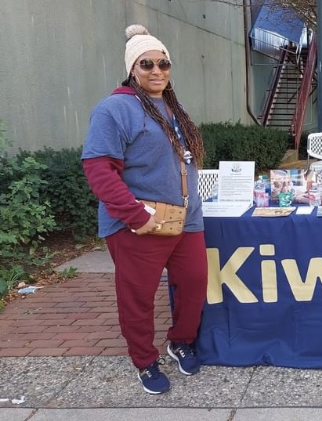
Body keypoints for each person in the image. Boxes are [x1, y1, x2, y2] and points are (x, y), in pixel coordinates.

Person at [81, 24, 208, 394]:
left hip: (186, 218)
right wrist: (135, 215)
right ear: (132, 69)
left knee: (195, 283)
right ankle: (144, 360)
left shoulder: (172, 107)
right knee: (137, 295)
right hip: (140, 222)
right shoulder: (115, 108)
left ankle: (181, 340)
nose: (157, 71)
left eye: (163, 63)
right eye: (147, 63)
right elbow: (98, 168)